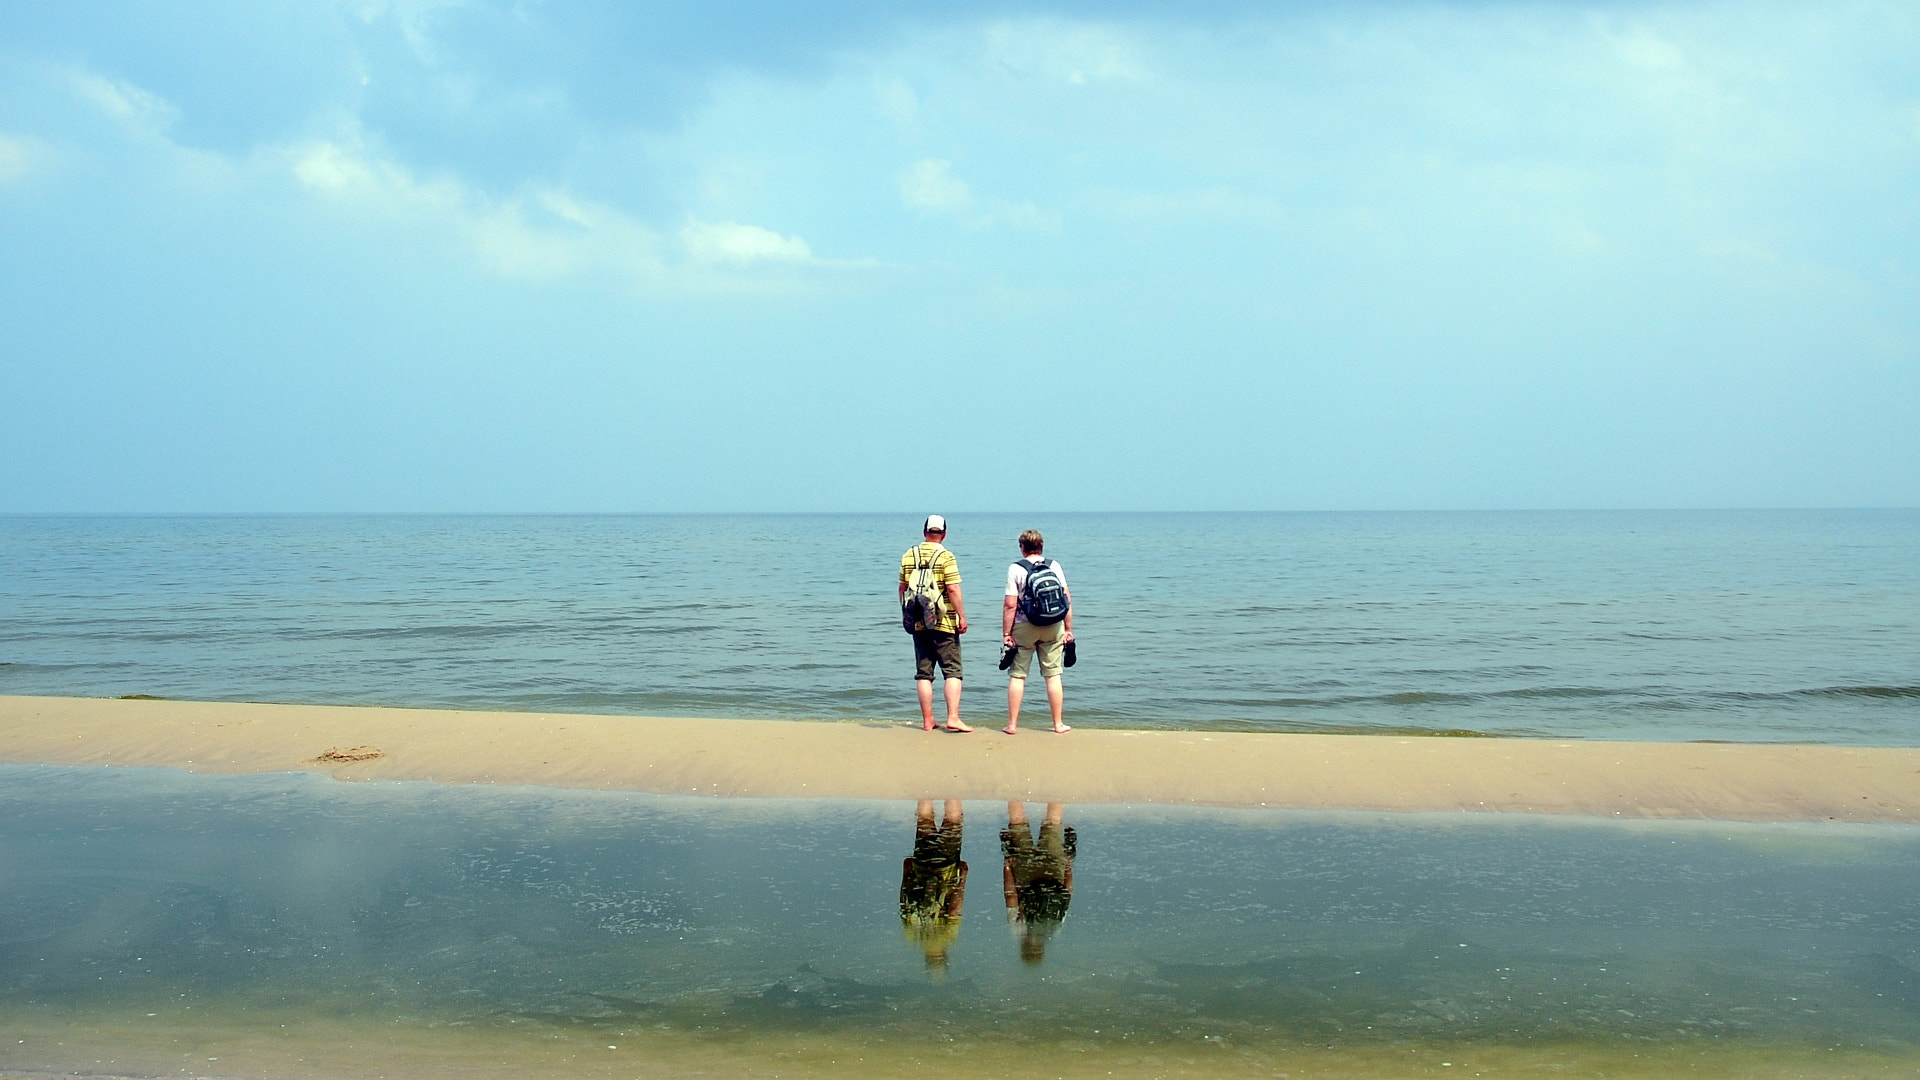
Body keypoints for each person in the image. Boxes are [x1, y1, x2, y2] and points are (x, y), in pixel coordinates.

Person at [900, 514, 971, 732]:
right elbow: (952, 589)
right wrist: (961, 616)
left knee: (924, 673)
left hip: (918, 621)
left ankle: (928, 720)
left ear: (924, 532)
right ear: (944, 534)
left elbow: (903, 589)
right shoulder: (946, 557)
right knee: (952, 671)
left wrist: (906, 615)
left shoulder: (909, 555)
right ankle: (953, 717)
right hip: (944, 622)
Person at [1000, 529, 1074, 734]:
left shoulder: (1015, 568)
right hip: (1053, 625)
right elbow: (1066, 598)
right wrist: (1068, 628)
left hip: (1025, 626)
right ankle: (1058, 724)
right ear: (1041, 546)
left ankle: (1012, 725)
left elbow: (1010, 605)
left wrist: (1007, 634)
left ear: (1022, 547)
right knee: (1053, 675)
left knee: (1017, 675)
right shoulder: (1054, 565)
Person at [1001, 801, 1075, 964]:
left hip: (1053, 874)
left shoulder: (1053, 930)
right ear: (1023, 950)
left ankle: (1057, 786)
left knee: (1053, 824)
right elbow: (1011, 898)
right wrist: (1007, 869)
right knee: (1018, 824)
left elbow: (1066, 895)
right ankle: (1012, 785)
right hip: (1026, 876)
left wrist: (1068, 868)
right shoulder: (1019, 931)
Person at [899, 799, 968, 970]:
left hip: (946, 871)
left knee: (953, 821)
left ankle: (953, 781)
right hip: (921, 867)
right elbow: (904, 902)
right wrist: (906, 872)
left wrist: (963, 878)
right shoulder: (912, 936)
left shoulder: (947, 938)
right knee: (924, 821)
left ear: (944, 955)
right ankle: (926, 787)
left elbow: (953, 909)